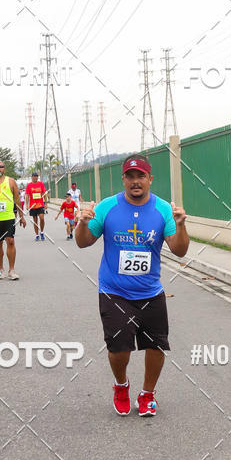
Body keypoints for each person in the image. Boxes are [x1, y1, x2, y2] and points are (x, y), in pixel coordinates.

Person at [75, 155, 189, 417]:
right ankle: (121, 385)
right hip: (114, 292)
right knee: (119, 350)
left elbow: (179, 250)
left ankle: (147, 394)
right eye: (130, 176)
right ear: (123, 179)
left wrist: (181, 226)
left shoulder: (163, 209)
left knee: (156, 346)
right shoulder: (107, 207)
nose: (135, 181)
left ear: (150, 179)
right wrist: (82, 223)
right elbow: (83, 242)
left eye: (141, 176)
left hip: (151, 292)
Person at [25, 171, 48, 241]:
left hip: (40, 205)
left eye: (36, 176)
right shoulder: (29, 185)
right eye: (34, 176)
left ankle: (42, 232)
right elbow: (27, 195)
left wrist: (46, 203)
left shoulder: (41, 184)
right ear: (32, 177)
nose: (35, 177)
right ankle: (37, 235)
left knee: (42, 218)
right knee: (35, 221)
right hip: (33, 206)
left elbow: (44, 193)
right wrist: (27, 204)